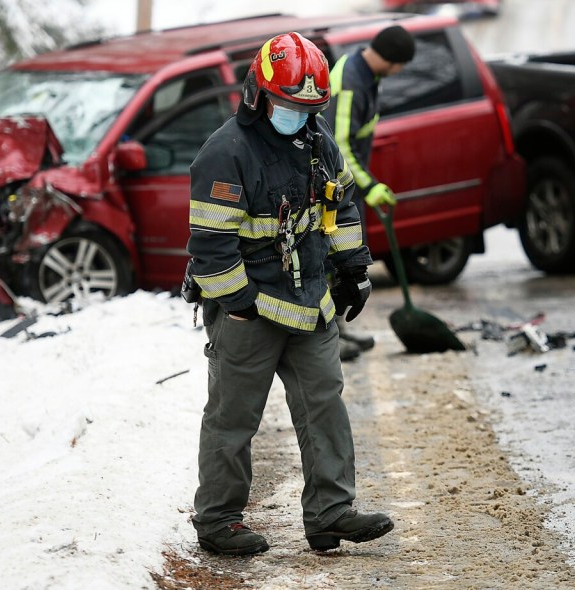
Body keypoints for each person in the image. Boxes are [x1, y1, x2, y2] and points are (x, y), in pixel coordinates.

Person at [185, 32, 394, 556]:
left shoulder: (318, 140)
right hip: (248, 312)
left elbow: (342, 207)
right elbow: (211, 246)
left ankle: (331, 513)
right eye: (288, 105)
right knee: (233, 420)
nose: (297, 115)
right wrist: (239, 305)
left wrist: (353, 269)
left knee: (324, 404)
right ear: (259, 93)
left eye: (307, 107)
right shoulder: (226, 153)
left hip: (311, 303)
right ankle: (219, 521)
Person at [323, 25, 416, 360]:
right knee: (332, 260)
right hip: (333, 189)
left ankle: (339, 331)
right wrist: (369, 185)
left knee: (343, 260)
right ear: (393, 60)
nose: (400, 72)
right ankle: (329, 339)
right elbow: (339, 146)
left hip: (345, 188)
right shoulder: (351, 83)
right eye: (402, 65)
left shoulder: (364, 75)